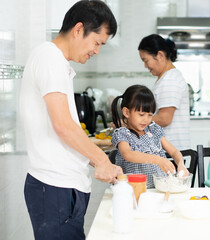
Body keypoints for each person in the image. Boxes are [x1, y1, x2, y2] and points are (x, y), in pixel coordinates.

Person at [19, 1, 122, 239]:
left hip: (61, 189)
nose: (96, 51)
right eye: (97, 43)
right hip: (54, 189)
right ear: (78, 29)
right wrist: (100, 160)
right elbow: (63, 126)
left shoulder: (57, 63)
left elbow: (64, 130)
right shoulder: (50, 58)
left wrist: (97, 160)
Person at [111, 84, 189, 188]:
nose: (146, 119)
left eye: (150, 115)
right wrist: (157, 160)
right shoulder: (122, 134)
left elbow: (174, 152)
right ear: (126, 112)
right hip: (134, 191)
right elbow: (128, 154)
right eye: (141, 115)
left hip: (159, 189)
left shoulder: (154, 130)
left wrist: (181, 164)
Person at [138, 34, 190, 150]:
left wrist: (134, 121)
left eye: (146, 60)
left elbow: (164, 118)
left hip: (171, 152)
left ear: (160, 55)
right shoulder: (165, 78)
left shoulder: (170, 80)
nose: (146, 66)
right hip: (168, 151)